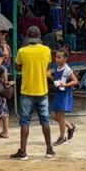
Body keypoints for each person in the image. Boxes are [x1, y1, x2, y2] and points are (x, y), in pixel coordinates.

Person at [11, 26, 54, 160]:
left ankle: (23, 151)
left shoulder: (22, 51)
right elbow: (47, 65)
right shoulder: (46, 50)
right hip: (42, 90)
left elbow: (17, 66)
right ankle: (49, 149)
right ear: (39, 37)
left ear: (28, 37)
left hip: (27, 91)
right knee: (45, 121)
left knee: (25, 122)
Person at [50, 48, 78, 146]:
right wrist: (50, 77)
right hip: (59, 93)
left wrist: (64, 85)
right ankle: (70, 127)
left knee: (60, 116)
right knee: (54, 116)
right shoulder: (57, 68)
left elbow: (75, 81)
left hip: (65, 94)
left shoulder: (67, 69)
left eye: (59, 57)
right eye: (56, 57)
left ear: (65, 58)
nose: (56, 59)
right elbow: (57, 80)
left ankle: (63, 137)